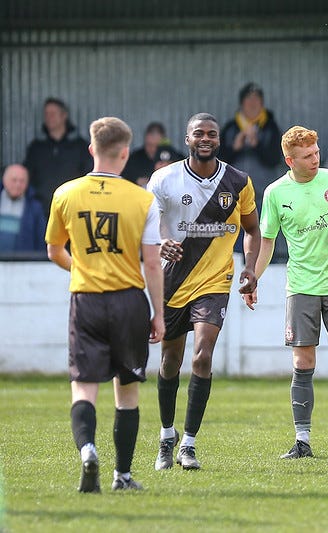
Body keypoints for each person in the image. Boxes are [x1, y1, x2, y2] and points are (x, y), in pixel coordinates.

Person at [45, 116, 165, 492]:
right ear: (126, 153)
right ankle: (123, 475)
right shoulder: (142, 199)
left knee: (83, 387)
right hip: (129, 301)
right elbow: (151, 262)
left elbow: (54, 250)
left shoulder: (65, 193)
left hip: (86, 300)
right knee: (127, 389)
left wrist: (81, 267)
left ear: (91, 149)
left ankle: (87, 451)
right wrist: (158, 311)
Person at [148, 113, 260, 471]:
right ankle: (167, 436)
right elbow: (145, 226)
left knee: (202, 357)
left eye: (212, 133)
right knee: (169, 362)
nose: (206, 138)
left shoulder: (238, 181)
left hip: (215, 281)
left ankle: (189, 444)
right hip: (172, 281)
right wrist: (161, 241)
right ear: (187, 139)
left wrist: (250, 268)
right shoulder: (164, 179)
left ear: (219, 140)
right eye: (199, 133)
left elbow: (253, 231)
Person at [244, 126, 328, 459]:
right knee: (302, 360)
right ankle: (302, 440)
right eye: (307, 156)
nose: (315, 159)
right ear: (289, 159)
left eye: (316, 153)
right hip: (301, 288)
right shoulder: (276, 192)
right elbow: (266, 242)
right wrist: (254, 277)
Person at [23, 97, 92, 213]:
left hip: (71, 208)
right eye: (46, 114)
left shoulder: (80, 146)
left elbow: (89, 177)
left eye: (53, 113)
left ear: (64, 116)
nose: (49, 117)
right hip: (41, 210)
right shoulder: (36, 148)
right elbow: (26, 176)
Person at [220, 82, 284, 207]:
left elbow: (275, 160)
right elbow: (219, 161)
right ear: (242, 103)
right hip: (234, 198)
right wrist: (235, 148)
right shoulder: (230, 128)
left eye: (256, 99)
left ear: (262, 103)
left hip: (263, 198)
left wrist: (257, 145)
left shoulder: (271, 127)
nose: (252, 103)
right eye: (248, 98)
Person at [0, 164, 46, 254]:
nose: (18, 185)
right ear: (4, 181)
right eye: (14, 180)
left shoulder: (35, 208)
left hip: (24, 264)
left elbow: (41, 241)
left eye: (22, 181)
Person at [122, 122, 184, 187]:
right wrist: (135, 180)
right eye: (149, 145)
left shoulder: (176, 158)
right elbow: (123, 179)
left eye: (157, 146)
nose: (152, 149)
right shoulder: (134, 159)